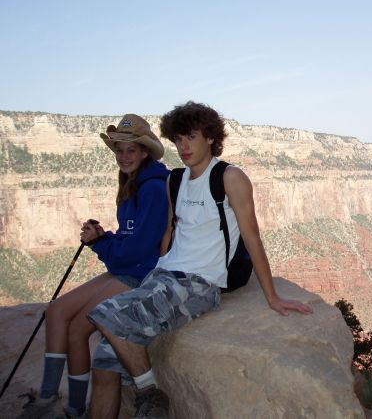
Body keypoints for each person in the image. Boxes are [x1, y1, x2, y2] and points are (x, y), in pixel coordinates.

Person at [86, 101, 313, 418]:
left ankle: (150, 391)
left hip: (199, 284)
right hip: (164, 277)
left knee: (104, 314)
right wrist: (154, 275)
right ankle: (141, 389)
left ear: (210, 137)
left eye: (191, 137)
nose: (183, 146)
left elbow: (252, 236)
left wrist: (272, 297)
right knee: (103, 365)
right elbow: (168, 235)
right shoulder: (174, 180)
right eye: (178, 139)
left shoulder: (230, 177)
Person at [17, 115, 169, 419]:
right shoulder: (133, 183)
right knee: (56, 311)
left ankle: (74, 409)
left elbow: (137, 248)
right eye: (119, 151)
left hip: (140, 274)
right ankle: (49, 399)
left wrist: (101, 244)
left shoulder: (152, 188)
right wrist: (103, 236)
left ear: (144, 153)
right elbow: (129, 238)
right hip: (126, 267)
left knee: (77, 329)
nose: (123, 157)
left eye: (130, 150)